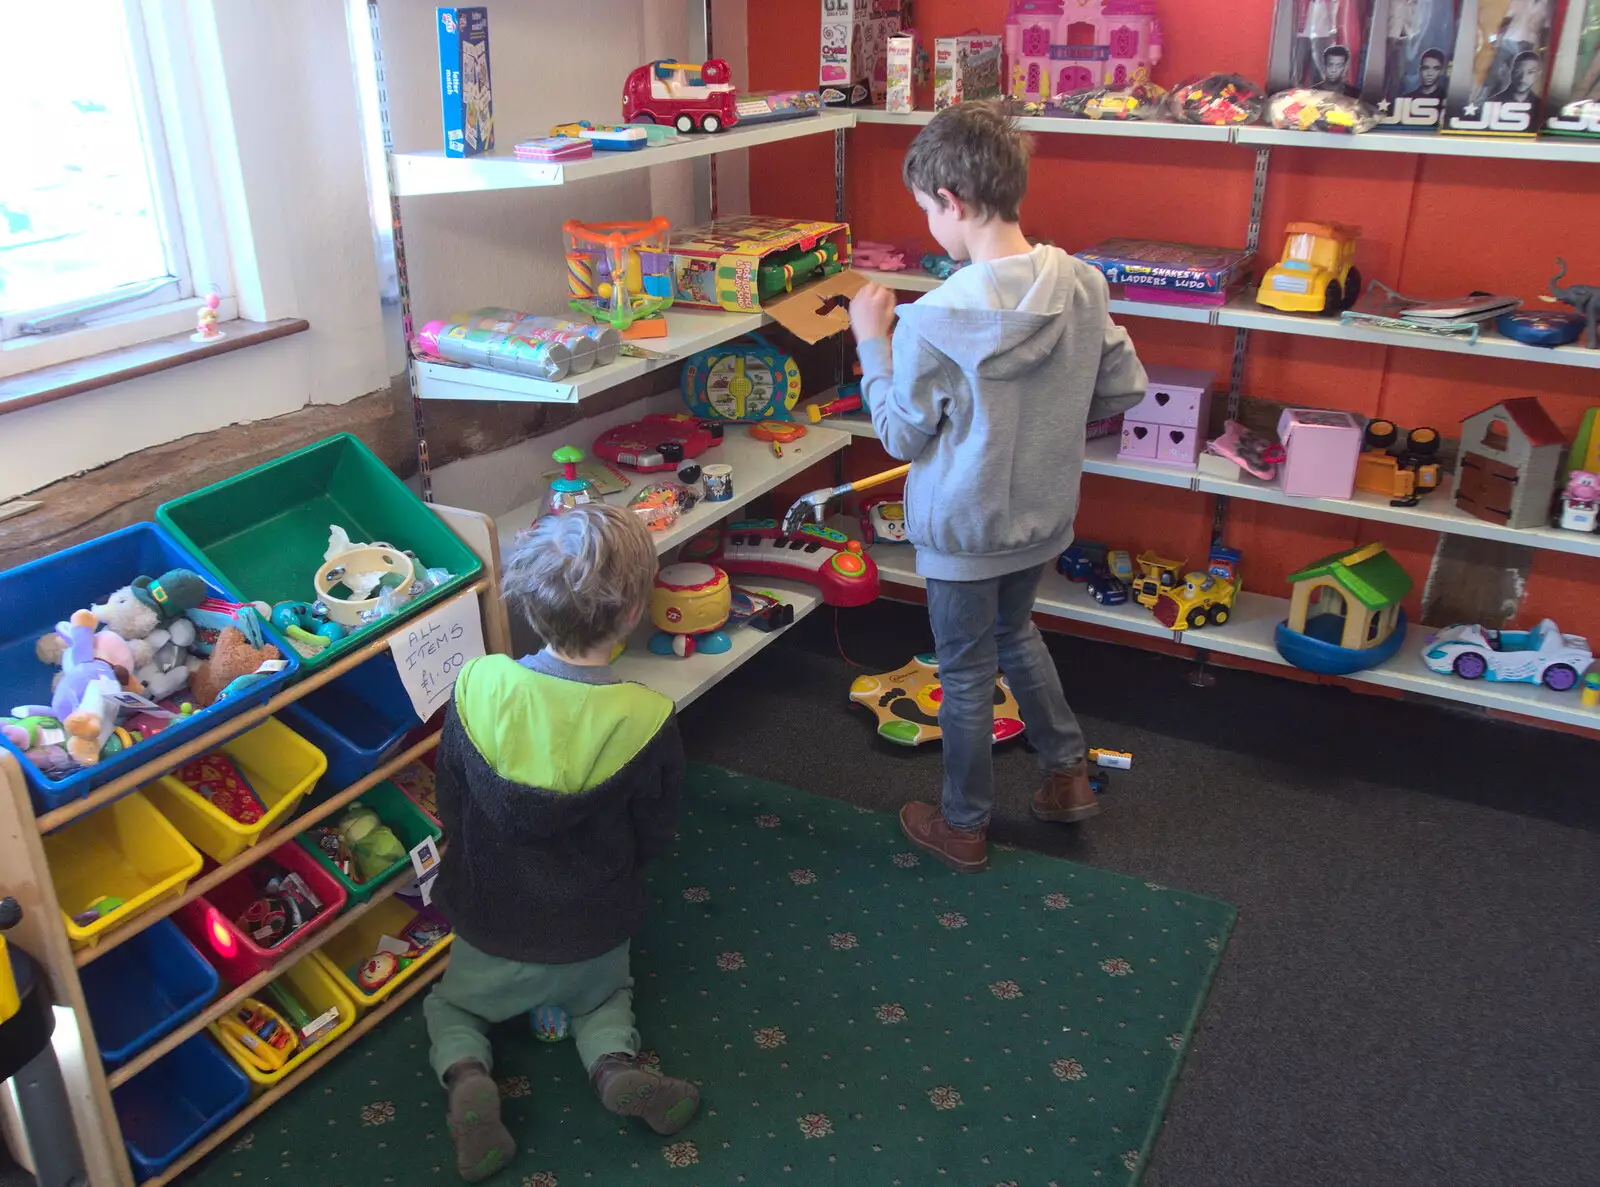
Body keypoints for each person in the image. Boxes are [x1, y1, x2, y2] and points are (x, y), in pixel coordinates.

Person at [848, 101, 1147, 874]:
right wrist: (1047, 422)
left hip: (960, 532)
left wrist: (872, 344)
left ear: (952, 201)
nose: (930, 225)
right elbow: (1123, 386)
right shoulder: (1082, 284)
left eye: (926, 210)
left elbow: (899, 434)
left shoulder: (931, 320)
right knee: (1017, 635)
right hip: (1041, 515)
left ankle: (964, 823)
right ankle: (1067, 774)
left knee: (967, 673)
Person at [422, 504, 697, 1182]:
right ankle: (612, 1065)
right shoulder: (647, 717)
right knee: (606, 1003)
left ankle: (466, 1072)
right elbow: (655, 831)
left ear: (526, 600)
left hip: (489, 922)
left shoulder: (477, 686)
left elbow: (451, 799)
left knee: (449, 1005)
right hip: (592, 932)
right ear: (633, 612)